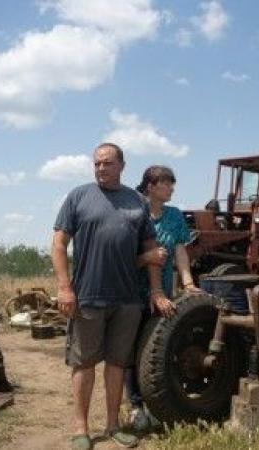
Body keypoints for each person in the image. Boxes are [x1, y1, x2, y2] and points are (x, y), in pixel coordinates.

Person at [51, 144, 175, 450]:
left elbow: (151, 252)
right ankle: (81, 429)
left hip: (128, 300)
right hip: (88, 297)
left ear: (121, 165)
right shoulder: (78, 196)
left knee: (117, 364)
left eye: (107, 163)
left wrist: (157, 291)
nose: (100, 169)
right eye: (96, 164)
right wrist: (65, 287)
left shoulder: (136, 201)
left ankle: (112, 425)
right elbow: (58, 244)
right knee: (83, 364)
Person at [125, 165, 202, 431]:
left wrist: (189, 283)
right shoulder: (134, 215)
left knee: (159, 348)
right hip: (134, 292)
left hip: (164, 293)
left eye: (171, 183)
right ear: (150, 186)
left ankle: (155, 404)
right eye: (166, 183)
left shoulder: (174, 216)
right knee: (134, 350)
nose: (171, 188)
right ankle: (136, 407)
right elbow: (125, 258)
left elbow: (180, 251)